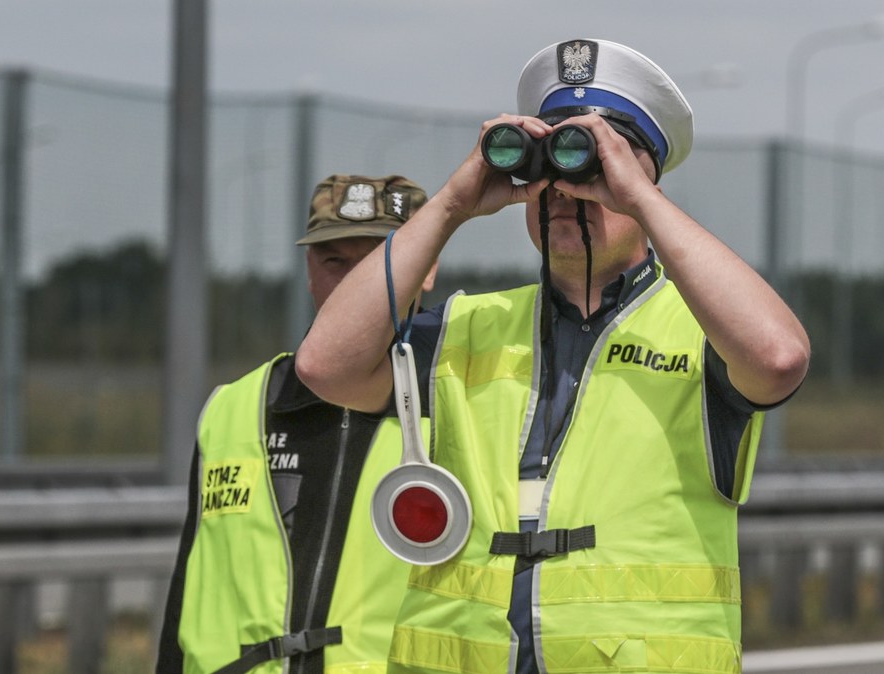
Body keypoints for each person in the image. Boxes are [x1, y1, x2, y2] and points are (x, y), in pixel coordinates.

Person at [296, 39, 810, 674]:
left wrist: (640, 199)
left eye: (593, 163)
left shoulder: (702, 334)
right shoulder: (468, 325)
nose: (568, 189)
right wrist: (451, 207)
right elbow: (325, 367)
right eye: (554, 166)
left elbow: (780, 357)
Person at [156, 174, 437, 674]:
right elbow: (188, 593)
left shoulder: (462, 400)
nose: (354, 280)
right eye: (335, 262)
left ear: (428, 268)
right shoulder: (234, 407)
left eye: (378, 261)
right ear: (309, 271)